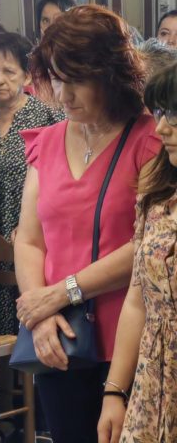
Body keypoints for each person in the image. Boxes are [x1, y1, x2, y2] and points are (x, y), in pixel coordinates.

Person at [14, 5, 159, 443]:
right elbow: (29, 238)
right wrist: (39, 313)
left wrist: (64, 291)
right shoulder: (49, 140)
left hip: (130, 330)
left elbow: (149, 242)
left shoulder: (150, 138)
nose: (64, 93)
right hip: (61, 335)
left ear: (111, 74)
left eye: (78, 79)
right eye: (57, 78)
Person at [97, 66, 177, 443]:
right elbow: (137, 300)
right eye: (160, 113)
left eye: (173, 115)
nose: (161, 128)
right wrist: (115, 390)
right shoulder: (156, 195)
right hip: (153, 380)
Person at [0, 31, 64, 335]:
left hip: (26, 231)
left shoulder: (48, 117)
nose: (0, 79)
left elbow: (57, 180)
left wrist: (30, 226)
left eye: (9, 71)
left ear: (26, 74)